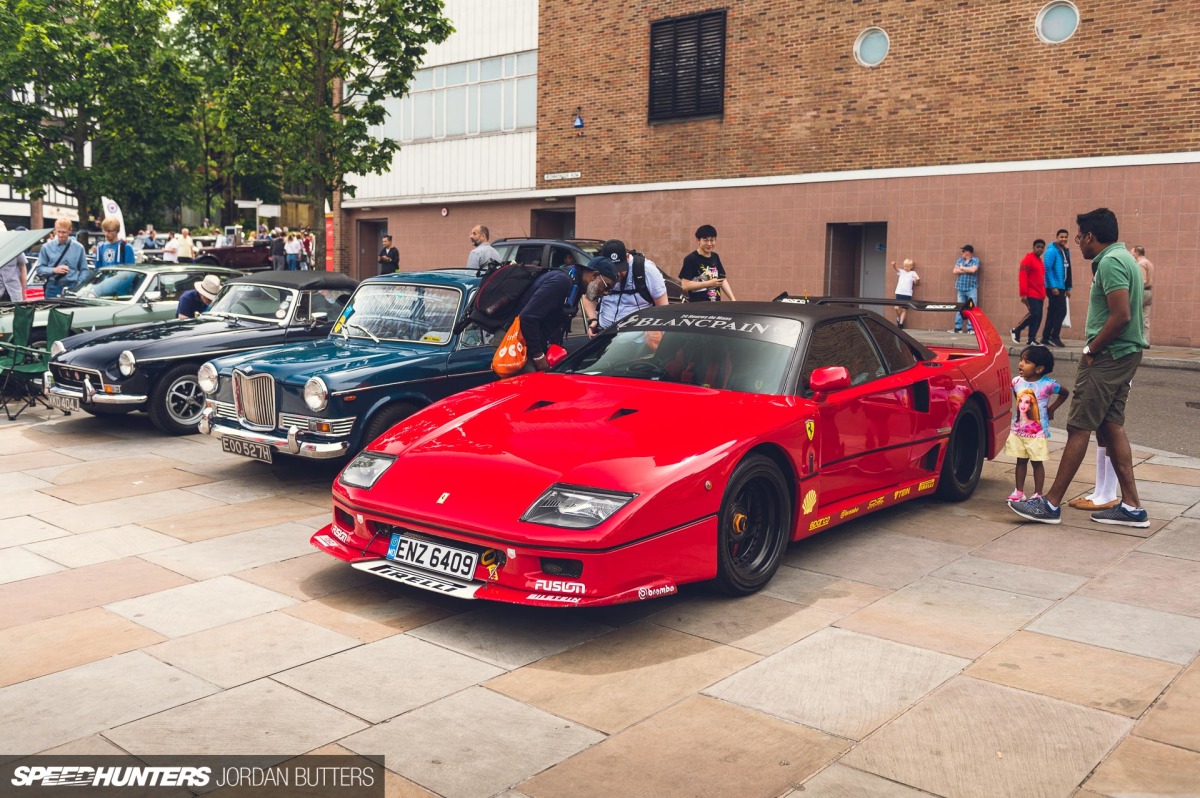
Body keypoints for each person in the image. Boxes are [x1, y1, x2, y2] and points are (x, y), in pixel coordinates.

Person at [1009, 207, 1150, 528]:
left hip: (1108, 356)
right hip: (1125, 354)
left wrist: (1091, 348)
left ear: (1090, 236)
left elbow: (1121, 315)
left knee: (1079, 426)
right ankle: (1132, 508)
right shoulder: (1125, 258)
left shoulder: (1112, 262)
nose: (1078, 244)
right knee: (1110, 425)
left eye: (1079, 237)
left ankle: (1050, 503)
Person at [518, 255, 615, 372]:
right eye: (606, 286)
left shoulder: (576, 286)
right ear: (594, 275)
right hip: (519, 346)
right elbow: (527, 318)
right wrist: (539, 356)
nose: (606, 293)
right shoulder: (562, 281)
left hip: (530, 345)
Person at [1005, 345, 1069, 502]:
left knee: (1036, 462)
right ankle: (1019, 491)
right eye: (1021, 360)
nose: (1021, 364)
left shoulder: (1048, 385)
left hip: (1037, 433)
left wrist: (1051, 409)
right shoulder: (1016, 381)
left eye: (1026, 362)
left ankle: (1038, 493)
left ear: (1039, 368)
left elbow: (1064, 393)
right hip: (1019, 431)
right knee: (1020, 461)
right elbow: (1016, 394)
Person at [585, 239, 670, 334]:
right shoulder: (598, 271)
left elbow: (662, 308)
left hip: (638, 336)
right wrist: (593, 320)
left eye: (620, 268)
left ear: (627, 256)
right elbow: (588, 296)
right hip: (606, 333)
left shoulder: (646, 270)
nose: (617, 274)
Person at [679, 224, 736, 304]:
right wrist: (709, 283)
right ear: (698, 241)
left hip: (715, 305)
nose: (709, 244)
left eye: (712, 240)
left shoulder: (715, 257)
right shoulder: (690, 259)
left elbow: (722, 280)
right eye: (705, 240)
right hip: (698, 307)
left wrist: (733, 300)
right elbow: (685, 285)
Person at [36, 217, 89, 298]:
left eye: (64, 232)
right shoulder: (46, 247)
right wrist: (54, 270)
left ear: (70, 231)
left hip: (72, 287)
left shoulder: (79, 248)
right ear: (54, 231)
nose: (61, 235)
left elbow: (84, 269)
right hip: (53, 287)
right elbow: (39, 268)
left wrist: (78, 284)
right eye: (58, 232)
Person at [1011, 239, 1046, 345]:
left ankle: (1031, 339)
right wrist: (1023, 294)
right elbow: (1023, 277)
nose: (1040, 249)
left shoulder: (1040, 261)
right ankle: (1017, 330)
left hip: (1040, 294)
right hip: (1031, 293)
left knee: (1038, 316)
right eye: (1038, 247)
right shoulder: (1027, 259)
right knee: (1034, 314)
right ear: (1033, 247)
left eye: (1042, 247)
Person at [1040, 228, 1071, 346]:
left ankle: (1046, 337)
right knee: (1061, 310)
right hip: (1053, 287)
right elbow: (1047, 269)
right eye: (1061, 237)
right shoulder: (1051, 251)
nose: (1064, 239)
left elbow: (1068, 270)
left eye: (1065, 237)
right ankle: (1054, 336)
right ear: (1057, 237)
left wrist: (1068, 288)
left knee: (1052, 311)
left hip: (1062, 286)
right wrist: (1053, 286)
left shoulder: (1065, 251)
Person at [950, 245, 980, 334]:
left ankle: (971, 329)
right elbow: (955, 271)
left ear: (968, 252)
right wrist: (967, 269)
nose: (962, 253)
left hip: (971, 288)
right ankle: (958, 328)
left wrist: (962, 268)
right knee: (960, 308)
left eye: (963, 251)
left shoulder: (975, 260)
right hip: (960, 288)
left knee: (971, 308)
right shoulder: (960, 260)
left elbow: (973, 270)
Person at [890, 258, 919, 328]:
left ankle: (900, 323)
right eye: (905, 266)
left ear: (911, 267)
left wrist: (915, 280)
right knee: (896, 308)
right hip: (899, 292)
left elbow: (916, 282)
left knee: (904, 309)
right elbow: (896, 269)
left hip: (907, 294)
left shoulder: (913, 273)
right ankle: (898, 317)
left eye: (908, 266)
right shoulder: (902, 271)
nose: (906, 268)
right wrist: (894, 265)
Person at [1130, 246, 1153, 336]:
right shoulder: (1149, 263)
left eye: (1132, 253)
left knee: (1135, 316)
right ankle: (1146, 340)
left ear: (1136, 253)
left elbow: (1142, 280)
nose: (1131, 254)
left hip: (1141, 291)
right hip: (1149, 292)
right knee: (1145, 318)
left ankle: (1136, 339)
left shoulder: (1140, 264)